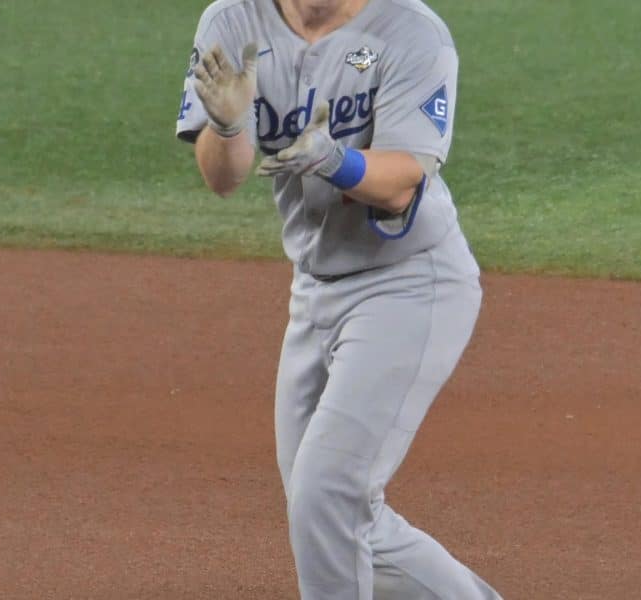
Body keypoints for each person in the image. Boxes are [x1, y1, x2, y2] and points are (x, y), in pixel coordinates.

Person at [177, 1, 502, 597]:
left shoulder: (413, 32)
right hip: (313, 291)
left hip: (409, 281)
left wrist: (334, 159)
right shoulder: (232, 22)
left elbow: (405, 182)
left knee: (328, 495)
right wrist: (225, 128)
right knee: (327, 516)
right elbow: (224, 178)